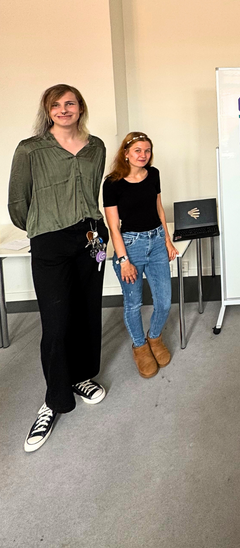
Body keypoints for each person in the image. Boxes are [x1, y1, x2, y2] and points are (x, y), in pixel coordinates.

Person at [8, 84, 108, 453]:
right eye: (56, 105)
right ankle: (54, 399)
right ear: (47, 111)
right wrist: (44, 225)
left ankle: (81, 376)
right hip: (50, 240)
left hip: (91, 237)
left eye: (70, 103)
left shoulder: (96, 147)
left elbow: (91, 191)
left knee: (86, 312)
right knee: (56, 321)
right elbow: (18, 203)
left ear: (81, 107)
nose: (64, 110)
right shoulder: (30, 149)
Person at [103, 132, 178, 379]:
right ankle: (139, 346)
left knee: (164, 301)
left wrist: (167, 241)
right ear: (126, 153)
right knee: (133, 303)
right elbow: (113, 227)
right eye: (137, 150)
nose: (143, 155)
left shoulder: (153, 174)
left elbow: (159, 208)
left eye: (147, 150)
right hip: (130, 246)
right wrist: (124, 260)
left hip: (156, 241)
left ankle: (154, 337)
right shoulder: (112, 183)